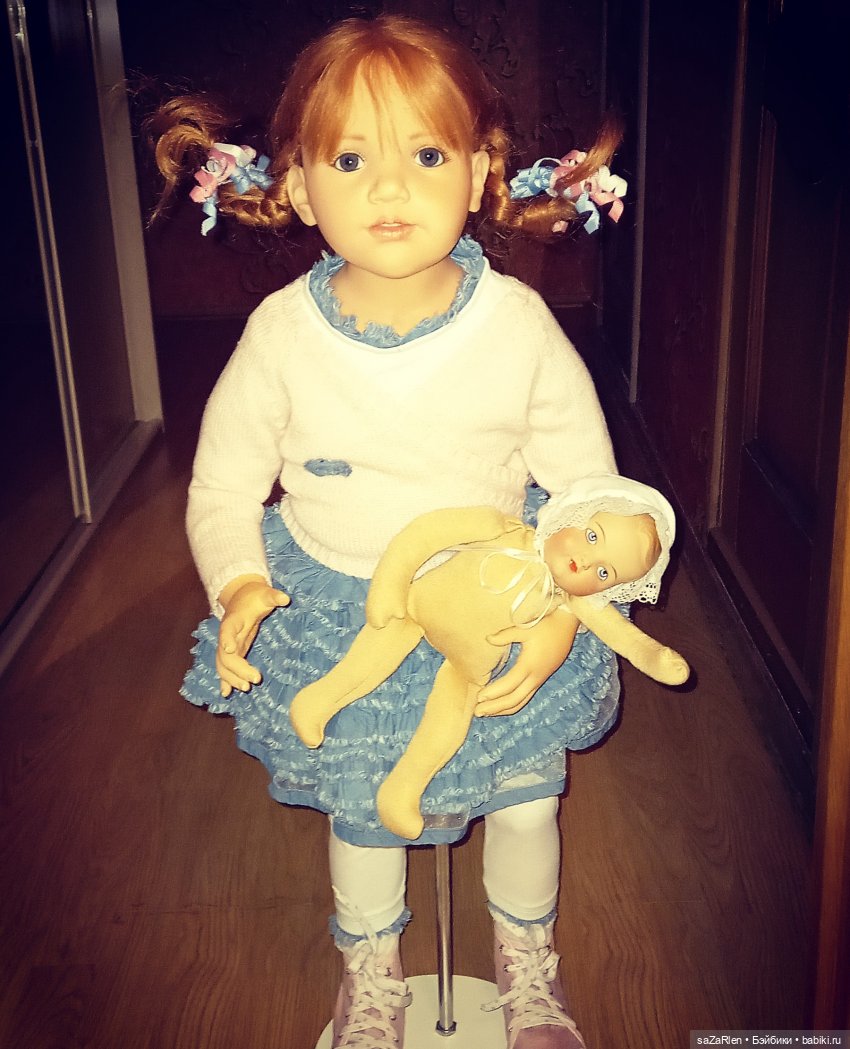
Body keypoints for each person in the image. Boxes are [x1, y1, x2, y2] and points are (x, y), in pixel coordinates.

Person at [149, 14, 629, 1049]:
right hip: (339, 605)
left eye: (426, 155)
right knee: (364, 811)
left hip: (498, 603)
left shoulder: (517, 326)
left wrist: (579, 593)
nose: (390, 189)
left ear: (479, 172)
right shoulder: (280, 336)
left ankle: (527, 966)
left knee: (525, 799)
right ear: (297, 186)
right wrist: (238, 581)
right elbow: (222, 484)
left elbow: (588, 485)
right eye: (351, 161)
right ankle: (369, 975)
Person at [290, 474, 687, 841]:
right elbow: (425, 533)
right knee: (371, 651)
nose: (586, 561)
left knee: (451, 716)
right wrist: (389, 584)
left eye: (604, 573)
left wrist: (657, 659)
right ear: (570, 513)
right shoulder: (501, 526)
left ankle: (403, 790)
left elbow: (625, 637)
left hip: (469, 663)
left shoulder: (570, 603)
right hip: (414, 607)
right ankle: (317, 701)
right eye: (592, 536)